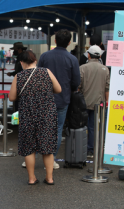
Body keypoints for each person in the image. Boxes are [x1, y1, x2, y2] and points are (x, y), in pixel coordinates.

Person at [9, 51, 61, 185]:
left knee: (29, 148)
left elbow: (12, 97)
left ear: (21, 63)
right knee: (47, 147)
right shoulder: (46, 72)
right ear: (35, 60)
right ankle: (49, 178)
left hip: (27, 115)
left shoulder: (19, 76)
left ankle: (32, 178)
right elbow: (59, 89)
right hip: (47, 115)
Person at [37, 29, 80, 169]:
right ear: (69, 43)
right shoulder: (72, 59)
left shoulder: (45, 56)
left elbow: (38, 76)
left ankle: (32, 157)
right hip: (63, 99)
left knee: (41, 127)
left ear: (55, 40)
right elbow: (75, 82)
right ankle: (51, 160)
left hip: (44, 99)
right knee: (57, 129)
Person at [79, 45, 110, 158]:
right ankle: (91, 150)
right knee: (94, 127)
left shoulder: (82, 68)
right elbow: (107, 88)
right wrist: (106, 102)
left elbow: (78, 86)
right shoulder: (105, 69)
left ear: (88, 55)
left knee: (81, 126)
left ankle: (80, 148)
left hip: (84, 102)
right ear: (100, 56)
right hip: (99, 103)